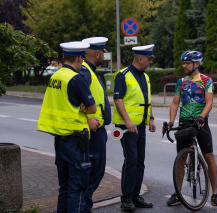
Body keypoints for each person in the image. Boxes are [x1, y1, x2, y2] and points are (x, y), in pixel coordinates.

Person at [37, 41, 97, 213]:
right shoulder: (76, 78)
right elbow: (92, 107)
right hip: (76, 141)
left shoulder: (56, 76)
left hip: (60, 140)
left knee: (64, 188)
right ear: (79, 58)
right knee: (77, 189)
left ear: (64, 57)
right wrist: (85, 106)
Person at [165, 50, 217, 207]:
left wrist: (202, 117)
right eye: (183, 63)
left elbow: (209, 102)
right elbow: (175, 104)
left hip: (201, 122)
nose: (184, 66)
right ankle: (178, 193)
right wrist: (170, 122)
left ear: (196, 64)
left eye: (187, 63)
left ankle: (215, 193)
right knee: (181, 158)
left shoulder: (206, 80)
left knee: (209, 156)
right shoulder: (181, 82)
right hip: (185, 122)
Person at [112, 44, 156, 212]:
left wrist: (151, 118)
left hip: (141, 126)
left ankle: (136, 196)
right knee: (131, 160)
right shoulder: (123, 75)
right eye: (149, 59)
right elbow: (118, 100)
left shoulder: (144, 76)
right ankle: (126, 198)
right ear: (140, 59)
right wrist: (128, 121)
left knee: (139, 161)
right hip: (127, 127)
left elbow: (147, 99)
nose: (150, 62)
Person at [80, 37, 112, 213]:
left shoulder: (90, 72)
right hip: (92, 132)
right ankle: (84, 208)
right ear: (98, 54)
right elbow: (73, 99)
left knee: (95, 172)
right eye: (103, 53)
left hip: (97, 131)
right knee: (91, 173)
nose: (104, 56)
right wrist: (87, 120)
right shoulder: (85, 73)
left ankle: (85, 207)